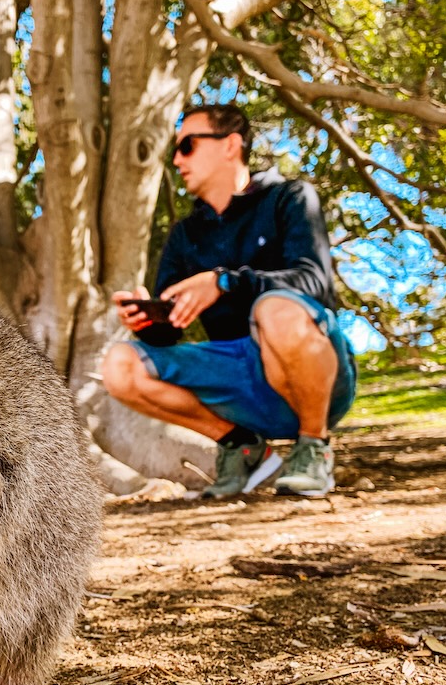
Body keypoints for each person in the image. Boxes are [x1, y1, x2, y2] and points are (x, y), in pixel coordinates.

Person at [102, 104, 356, 499]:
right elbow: (169, 335)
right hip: (236, 385)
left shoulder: (289, 197)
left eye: (187, 145)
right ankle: (241, 445)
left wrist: (224, 283)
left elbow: (315, 282)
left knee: (274, 309)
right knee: (119, 364)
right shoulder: (185, 235)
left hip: (315, 377)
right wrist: (149, 321)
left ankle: (313, 447)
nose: (176, 159)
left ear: (230, 145)